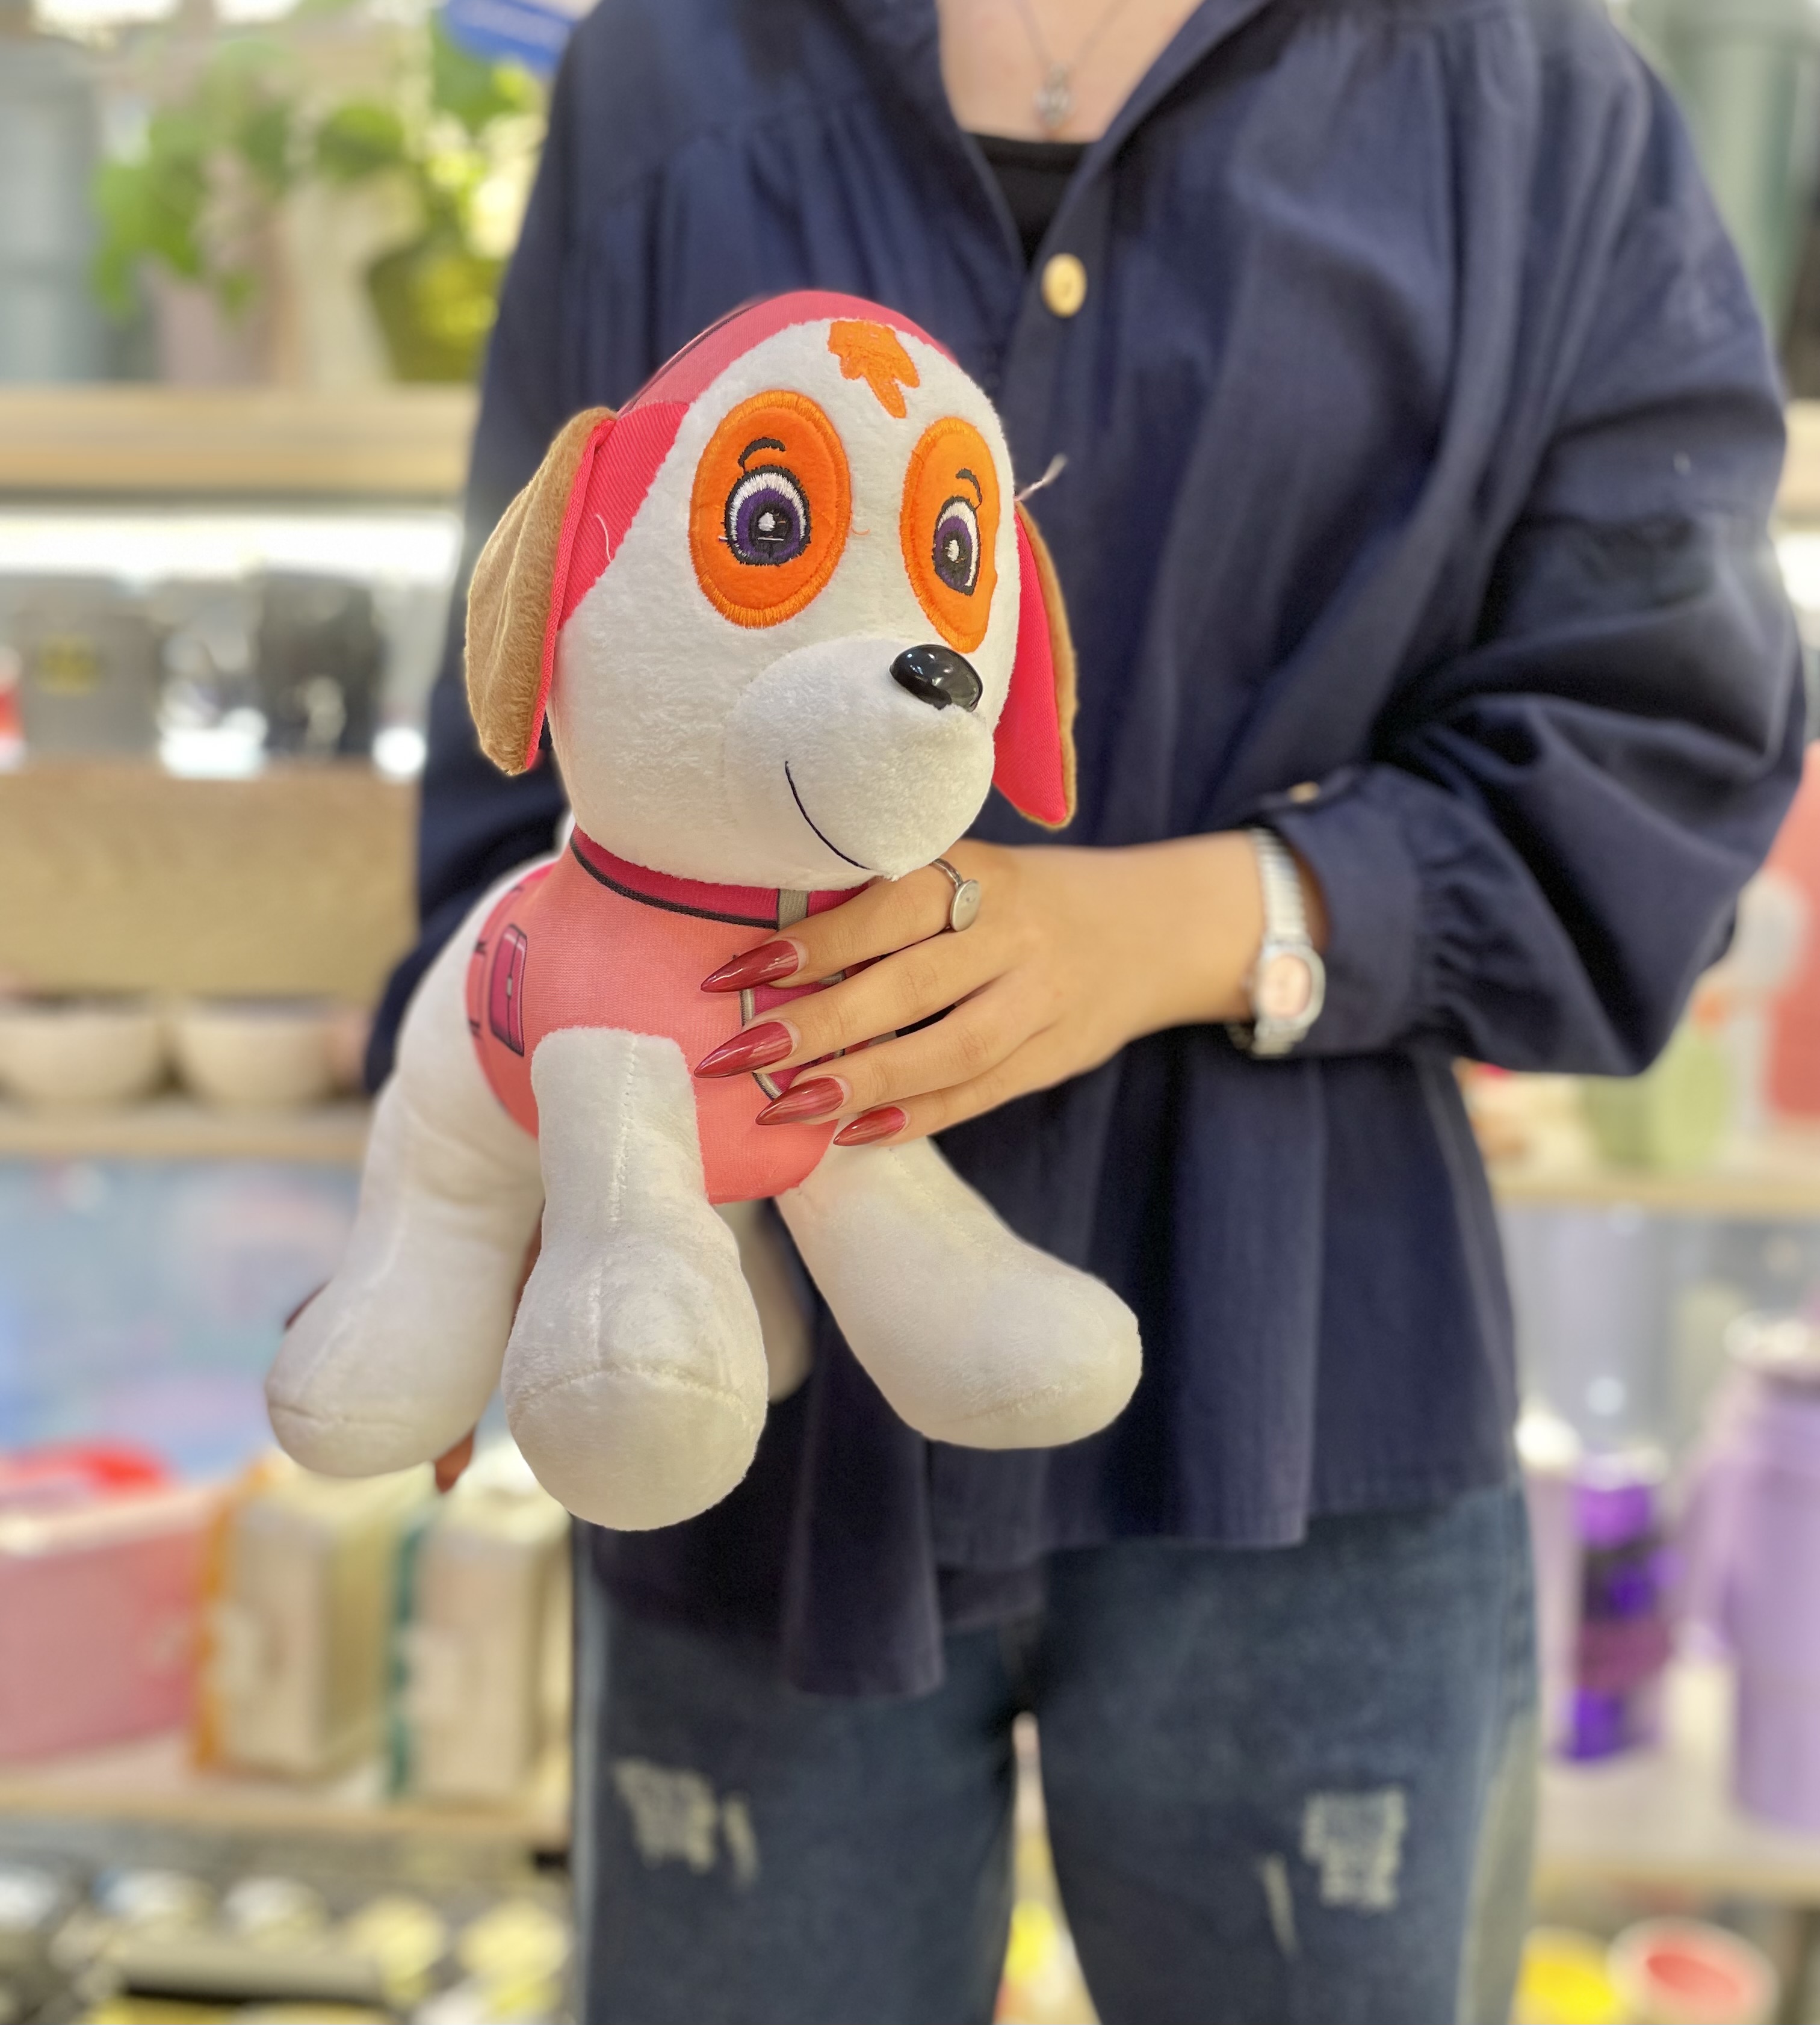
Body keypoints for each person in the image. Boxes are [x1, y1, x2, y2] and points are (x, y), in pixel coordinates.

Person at [368, 1, 1804, 2018]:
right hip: (738, 1422)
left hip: (1310, 1387)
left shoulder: (1532, 98)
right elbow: (518, 687)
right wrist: (466, 1224)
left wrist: (1171, 929)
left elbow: (1661, 748)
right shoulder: (674, 61)